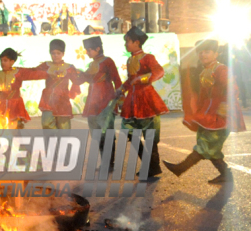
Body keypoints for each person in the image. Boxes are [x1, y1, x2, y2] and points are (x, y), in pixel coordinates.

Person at [164, 40, 246, 183]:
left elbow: (232, 88)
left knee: (206, 145)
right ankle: (226, 175)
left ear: (216, 53)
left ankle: (180, 168)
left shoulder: (221, 69)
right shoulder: (204, 71)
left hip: (220, 115)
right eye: (200, 52)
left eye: (207, 51)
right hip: (208, 114)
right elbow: (203, 95)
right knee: (210, 146)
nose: (203, 55)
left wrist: (225, 106)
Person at [118, 26, 168, 177]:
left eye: (127, 41)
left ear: (136, 42)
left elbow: (159, 71)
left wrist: (143, 78)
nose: (125, 44)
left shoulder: (148, 58)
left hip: (146, 98)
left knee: (150, 135)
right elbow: (131, 80)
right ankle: (150, 165)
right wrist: (121, 89)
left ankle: (153, 167)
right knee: (129, 132)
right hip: (132, 101)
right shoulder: (130, 59)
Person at [76, 36, 122, 163]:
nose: (87, 52)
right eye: (86, 50)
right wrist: (72, 72)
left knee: (107, 132)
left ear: (98, 48)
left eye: (89, 50)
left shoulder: (108, 61)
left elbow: (116, 79)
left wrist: (121, 99)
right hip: (93, 103)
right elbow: (82, 79)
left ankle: (109, 163)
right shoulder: (92, 64)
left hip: (106, 102)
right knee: (96, 133)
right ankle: (105, 162)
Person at [35, 39, 81, 129]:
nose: (55, 56)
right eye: (53, 53)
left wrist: (71, 93)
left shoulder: (69, 68)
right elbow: (33, 72)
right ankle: (53, 142)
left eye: (58, 53)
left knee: (64, 129)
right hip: (48, 101)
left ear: (63, 54)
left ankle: (61, 142)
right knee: (46, 123)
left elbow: (76, 81)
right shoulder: (46, 66)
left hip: (63, 102)